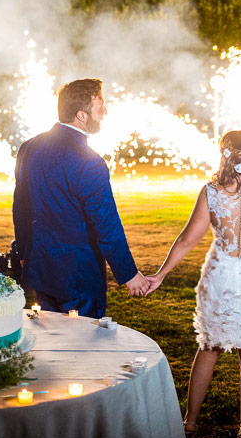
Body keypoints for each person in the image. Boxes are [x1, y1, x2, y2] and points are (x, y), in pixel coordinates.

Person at [145, 130, 241, 438]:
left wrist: (159, 275)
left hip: (220, 276)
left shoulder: (211, 192)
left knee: (209, 348)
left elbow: (187, 240)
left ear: (225, 154)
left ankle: (190, 422)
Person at [13, 78, 153, 318]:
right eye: (100, 106)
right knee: (83, 347)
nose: (105, 112)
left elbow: (21, 207)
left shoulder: (29, 147)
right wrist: (129, 274)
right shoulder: (90, 161)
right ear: (81, 115)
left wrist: (25, 252)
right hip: (78, 275)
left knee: (51, 339)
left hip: (42, 267)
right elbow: (106, 224)